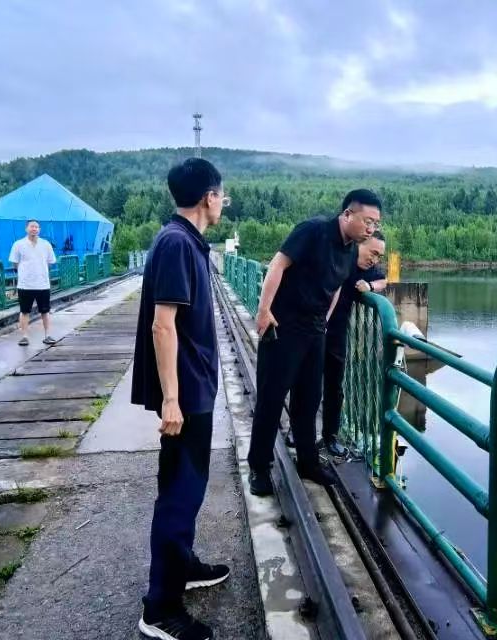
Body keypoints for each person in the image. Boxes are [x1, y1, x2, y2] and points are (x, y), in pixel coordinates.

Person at [131, 158, 230, 640]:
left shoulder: (186, 241)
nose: (223, 202)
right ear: (208, 197)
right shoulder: (176, 243)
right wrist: (171, 399)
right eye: (221, 194)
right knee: (179, 492)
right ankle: (160, 609)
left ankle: (182, 566)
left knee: (186, 488)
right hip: (185, 395)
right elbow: (162, 325)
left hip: (193, 389)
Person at [247, 189, 383, 497]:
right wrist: (264, 310)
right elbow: (278, 264)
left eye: (375, 224)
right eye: (368, 221)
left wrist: (325, 320)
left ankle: (308, 461)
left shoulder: (350, 249)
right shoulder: (313, 231)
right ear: (347, 214)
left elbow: (336, 288)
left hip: (315, 329)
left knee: (309, 400)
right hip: (283, 325)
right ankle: (259, 467)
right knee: (271, 397)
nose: (371, 229)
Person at [320, 232, 387, 457]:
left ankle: (330, 437)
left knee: (334, 387)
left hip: (337, 332)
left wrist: (370, 286)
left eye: (379, 256)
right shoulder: (340, 257)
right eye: (373, 253)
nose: (374, 259)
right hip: (314, 326)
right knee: (306, 383)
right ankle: (297, 431)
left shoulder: (368, 270)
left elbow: (384, 280)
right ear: (360, 244)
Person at [8, 219, 57, 346]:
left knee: (45, 311)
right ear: (26, 228)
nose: (34, 229)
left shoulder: (46, 244)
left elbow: (50, 262)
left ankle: (47, 335)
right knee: (24, 311)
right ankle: (24, 337)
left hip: (42, 284)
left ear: (39, 229)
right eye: (32, 226)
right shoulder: (18, 244)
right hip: (25, 284)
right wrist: (24, 272)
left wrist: (40, 271)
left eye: (36, 227)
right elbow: (15, 262)